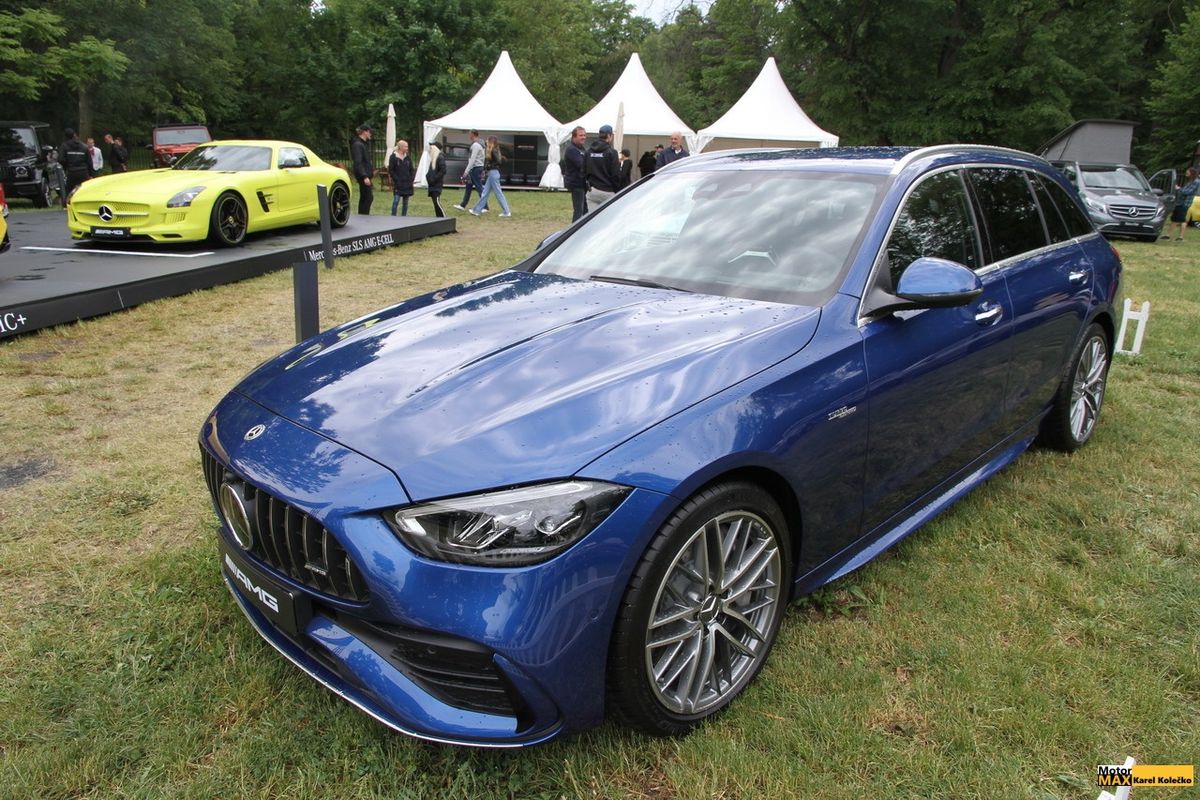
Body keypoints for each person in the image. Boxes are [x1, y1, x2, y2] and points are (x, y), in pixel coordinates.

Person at [469, 135, 511, 217]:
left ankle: (506, 212)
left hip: (493, 173)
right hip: (492, 173)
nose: (486, 142)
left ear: (491, 142)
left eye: (488, 140)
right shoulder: (494, 150)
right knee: (485, 192)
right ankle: (476, 210)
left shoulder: (493, 150)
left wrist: (489, 166)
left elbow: (498, 161)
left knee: (498, 193)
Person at [585, 124, 620, 209]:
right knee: (610, 216)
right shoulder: (612, 152)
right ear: (609, 135)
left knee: (593, 216)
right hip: (608, 191)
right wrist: (617, 190)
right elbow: (615, 174)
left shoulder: (589, 151)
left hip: (593, 191)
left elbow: (584, 171)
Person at [454, 129, 486, 212]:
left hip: (475, 168)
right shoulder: (480, 144)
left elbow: (472, 159)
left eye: (470, 134)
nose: (469, 136)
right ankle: (463, 205)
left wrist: (466, 171)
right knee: (468, 186)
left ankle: (485, 207)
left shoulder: (476, 145)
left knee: (479, 187)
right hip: (477, 167)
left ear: (473, 134)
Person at [562, 125, 588, 222]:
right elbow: (581, 164)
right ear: (574, 137)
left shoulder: (581, 148)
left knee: (585, 210)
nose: (583, 137)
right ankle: (575, 229)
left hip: (582, 183)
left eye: (584, 135)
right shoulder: (572, 149)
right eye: (581, 135)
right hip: (576, 183)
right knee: (579, 211)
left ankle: (585, 227)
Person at [59, 128, 93, 200]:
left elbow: (61, 159)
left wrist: (66, 167)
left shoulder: (64, 146)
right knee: (86, 189)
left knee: (70, 191)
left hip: (71, 172)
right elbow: (89, 162)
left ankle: (69, 203)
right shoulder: (84, 146)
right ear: (74, 135)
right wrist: (90, 174)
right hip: (83, 172)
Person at [1170, 167, 1199, 241]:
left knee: (1182, 220)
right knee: (1174, 218)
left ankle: (1181, 237)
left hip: (1185, 203)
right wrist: (1180, 189)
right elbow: (1184, 190)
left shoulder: (1196, 182)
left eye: (1188, 172)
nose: (1186, 173)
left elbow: (1188, 192)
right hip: (1180, 202)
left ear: (1192, 173)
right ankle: (1168, 235)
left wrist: (1179, 189)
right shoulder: (1190, 181)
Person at [351, 124, 374, 215]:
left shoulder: (363, 144)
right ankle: (363, 216)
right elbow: (358, 162)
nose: (370, 134)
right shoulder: (358, 145)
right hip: (363, 175)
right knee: (368, 197)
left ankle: (363, 215)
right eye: (369, 132)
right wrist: (364, 176)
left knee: (365, 197)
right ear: (365, 132)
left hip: (366, 174)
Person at [387, 139, 414, 216]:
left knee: (405, 202)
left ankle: (404, 217)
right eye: (406, 146)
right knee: (396, 201)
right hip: (398, 183)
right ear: (400, 147)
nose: (407, 148)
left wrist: (411, 179)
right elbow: (391, 170)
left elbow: (411, 169)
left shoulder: (407, 157)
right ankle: (393, 216)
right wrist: (396, 179)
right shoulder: (393, 157)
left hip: (407, 183)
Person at [426, 143, 446, 217]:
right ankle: (438, 217)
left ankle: (443, 217)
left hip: (436, 183)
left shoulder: (440, 158)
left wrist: (434, 178)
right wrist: (428, 176)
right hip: (432, 183)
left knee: (436, 201)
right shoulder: (434, 158)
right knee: (435, 202)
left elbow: (443, 170)